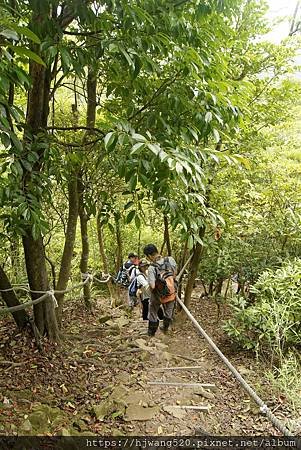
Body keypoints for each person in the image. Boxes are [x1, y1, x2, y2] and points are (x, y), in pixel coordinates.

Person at [143, 243, 177, 336]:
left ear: (149, 256)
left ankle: (151, 332)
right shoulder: (170, 259)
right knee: (169, 310)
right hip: (171, 292)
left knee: (153, 310)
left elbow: (153, 286)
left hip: (158, 295)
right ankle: (165, 328)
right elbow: (175, 274)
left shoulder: (151, 268)